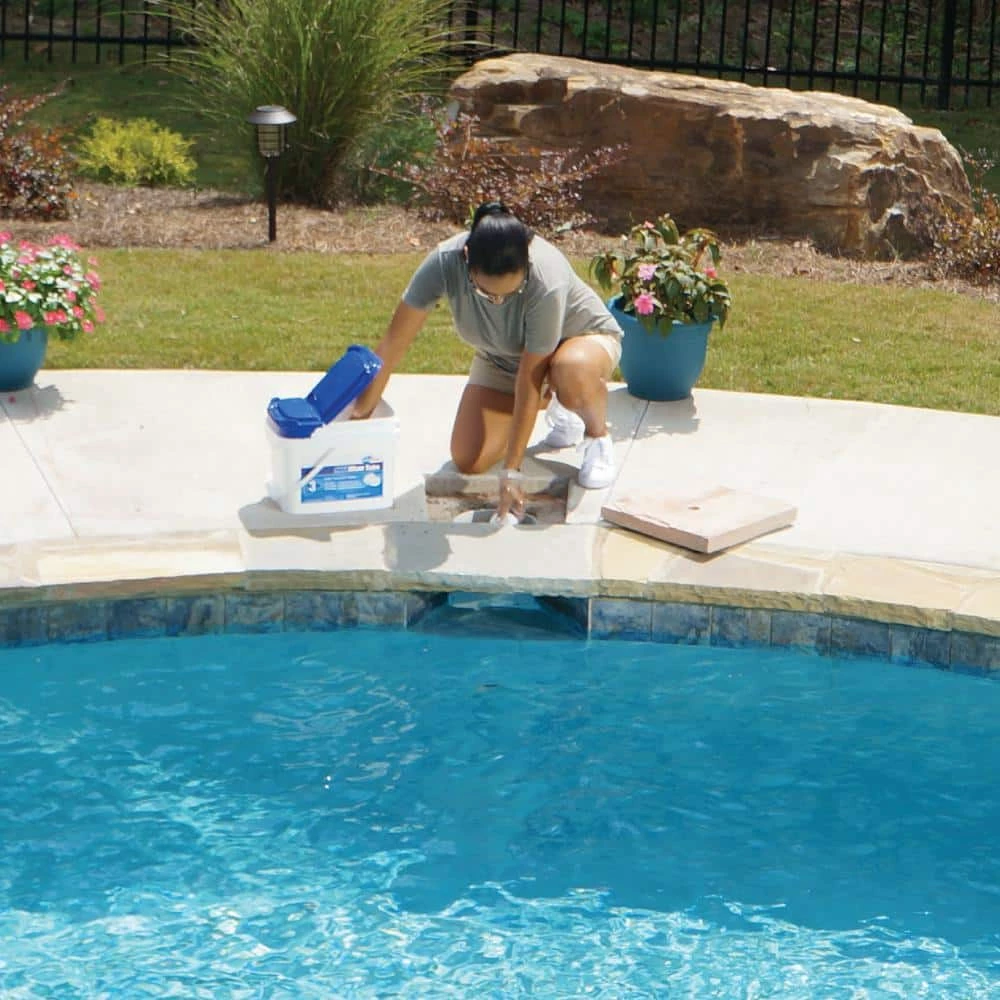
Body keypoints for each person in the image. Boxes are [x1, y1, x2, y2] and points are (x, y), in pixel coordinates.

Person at [352, 201, 623, 520]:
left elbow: (530, 377)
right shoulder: (444, 261)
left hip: (580, 343)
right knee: (469, 459)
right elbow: (392, 345)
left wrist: (511, 472)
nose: (498, 302)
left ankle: (595, 435)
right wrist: (358, 421)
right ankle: (556, 402)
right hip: (502, 358)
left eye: (510, 294)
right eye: (486, 294)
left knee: (570, 371)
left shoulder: (546, 277)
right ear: (467, 259)